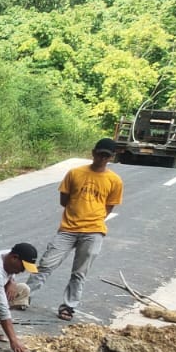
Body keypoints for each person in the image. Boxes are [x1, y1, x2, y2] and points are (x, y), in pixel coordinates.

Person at [31, 137, 124, 321]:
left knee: (79, 272)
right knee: (46, 264)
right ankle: (23, 296)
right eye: (99, 154)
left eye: (106, 156)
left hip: (94, 230)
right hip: (68, 228)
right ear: (93, 152)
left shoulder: (115, 181)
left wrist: (93, 219)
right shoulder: (75, 173)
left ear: (112, 157)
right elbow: (64, 200)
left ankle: (68, 306)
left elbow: (109, 206)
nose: (102, 159)